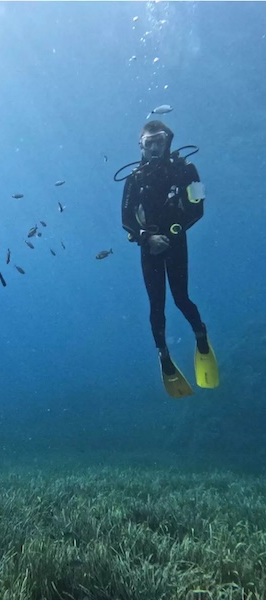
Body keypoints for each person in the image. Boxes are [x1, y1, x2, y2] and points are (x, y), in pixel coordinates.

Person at [121, 120, 218, 398]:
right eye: (148, 142)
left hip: (175, 244)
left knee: (181, 298)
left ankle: (201, 336)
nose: (153, 147)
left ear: (168, 141)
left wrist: (174, 233)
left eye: (158, 140)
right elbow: (126, 219)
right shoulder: (134, 179)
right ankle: (164, 357)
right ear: (141, 146)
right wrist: (147, 238)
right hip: (148, 247)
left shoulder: (186, 170)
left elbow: (197, 208)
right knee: (157, 305)